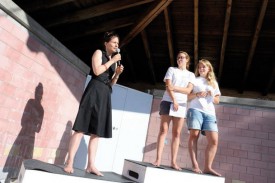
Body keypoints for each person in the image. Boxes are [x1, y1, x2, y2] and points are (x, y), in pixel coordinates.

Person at [63, 31, 124, 176]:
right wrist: (112, 61)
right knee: (81, 128)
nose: (117, 45)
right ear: (106, 43)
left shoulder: (113, 61)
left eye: (117, 43)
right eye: (114, 42)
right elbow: (97, 71)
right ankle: (69, 162)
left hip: (105, 93)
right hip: (93, 91)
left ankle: (91, 165)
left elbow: (111, 84)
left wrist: (117, 74)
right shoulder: (98, 53)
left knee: (96, 133)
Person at [152, 51, 195, 170]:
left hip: (182, 104)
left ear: (187, 60)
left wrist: (175, 88)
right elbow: (167, 86)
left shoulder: (191, 75)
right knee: (163, 130)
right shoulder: (171, 69)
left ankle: (173, 162)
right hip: (168, 101)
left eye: (182, 57)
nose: (180, 59)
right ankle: (158, 159)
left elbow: (188, 91)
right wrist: (174, 100)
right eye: (178, 58)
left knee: (176, 133)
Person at [186, 59, 221, 176]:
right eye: (199, 67)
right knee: (194, 135)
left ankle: (207, 167)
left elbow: (217, 100)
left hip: (210, 113)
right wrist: (197, 94)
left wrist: (211, 94)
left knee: (214, 141)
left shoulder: (214, 83)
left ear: (209, 69)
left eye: (203, 67)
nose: (201, 69)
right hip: (195, 110)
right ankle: (195, 165)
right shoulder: (194, 80)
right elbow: (187, 96)